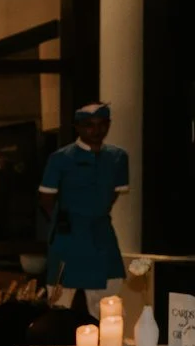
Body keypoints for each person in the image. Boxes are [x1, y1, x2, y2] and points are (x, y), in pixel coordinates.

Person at [38, 102, 129, 317]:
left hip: (101, 235)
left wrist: (96, 213)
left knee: (109, 300)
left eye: (101, 124)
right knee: (60, 300)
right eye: (89, 125)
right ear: (77, 127)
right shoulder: (61, 158)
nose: (96, 130)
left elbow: (114, 193)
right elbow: (46, 198)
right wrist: (65, 220)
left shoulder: (118, 157)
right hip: (69, 235)